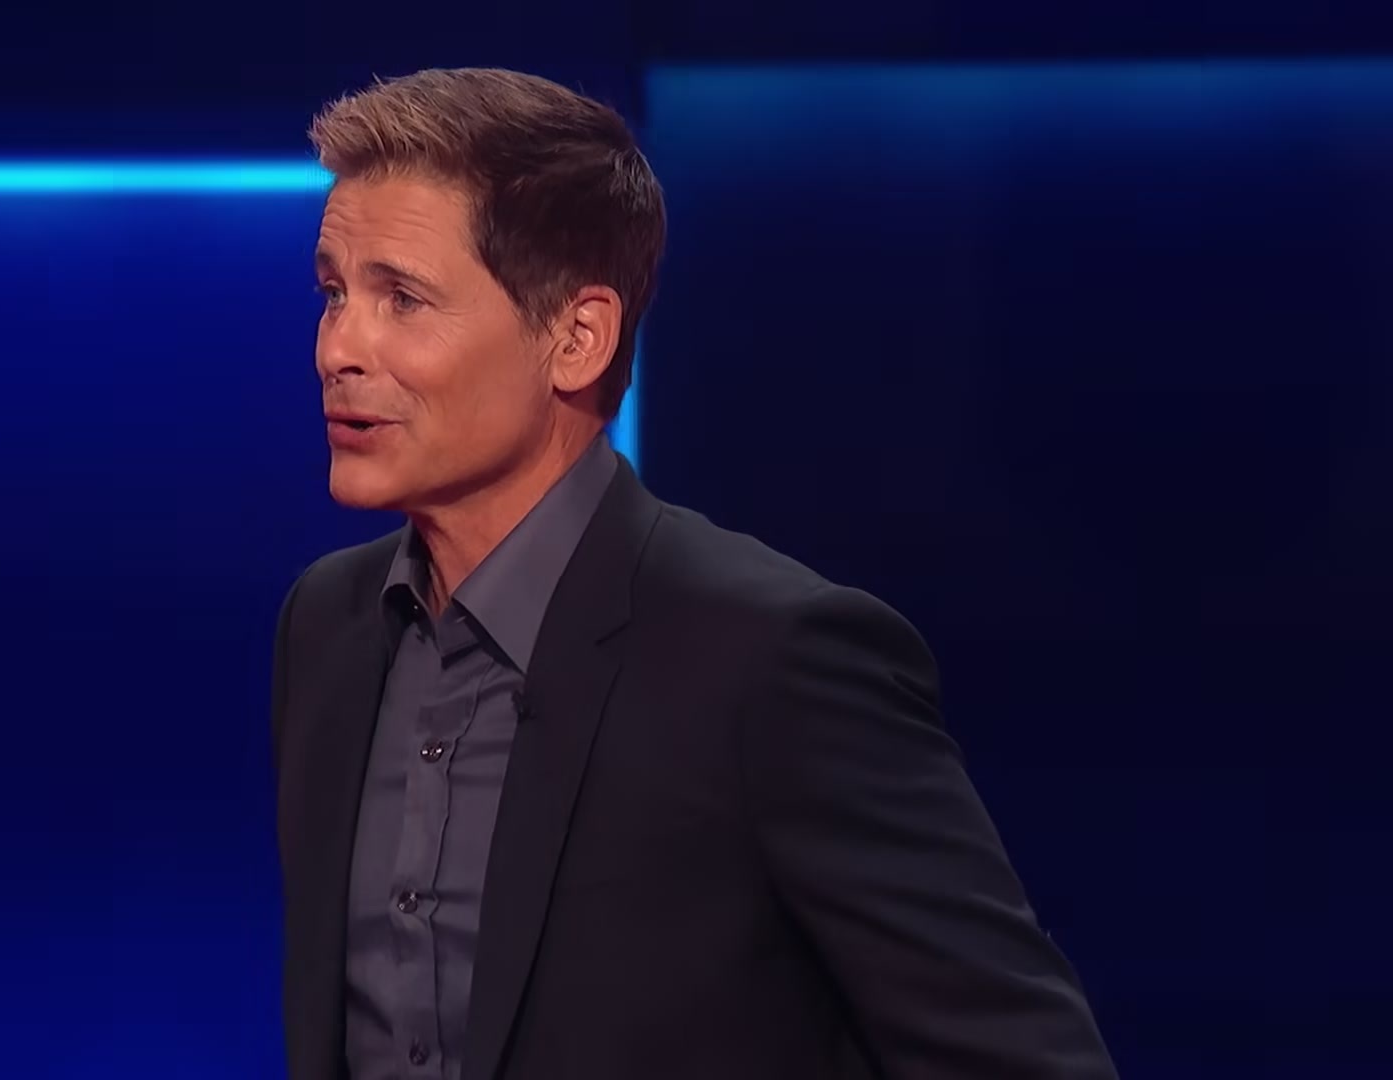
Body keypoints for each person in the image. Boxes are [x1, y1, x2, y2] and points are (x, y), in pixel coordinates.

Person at [270, 67, 1116, 1080]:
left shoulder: (773, 661)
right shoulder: (327, 628)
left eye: (402, 299)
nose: (339, 348)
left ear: (577, 338)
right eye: (334, 294)